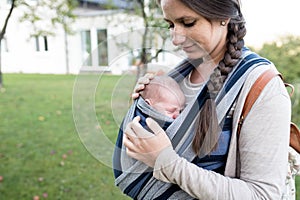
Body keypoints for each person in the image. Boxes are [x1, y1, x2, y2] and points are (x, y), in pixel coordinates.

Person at [113, 0, 292, 199]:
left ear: (223, 17)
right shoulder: (176, 79)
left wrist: (167, 162)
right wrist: (145, 109)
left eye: (188, 22)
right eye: (171, 25)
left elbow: (263, 195)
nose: (175, 39)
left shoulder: (262, 87)